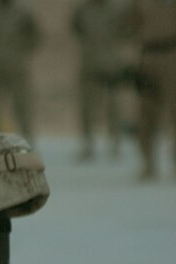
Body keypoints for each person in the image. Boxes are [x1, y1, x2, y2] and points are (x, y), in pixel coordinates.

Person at [0, 0, 41, 143]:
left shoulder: (24, 13)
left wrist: (22, 51)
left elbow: (35, 35)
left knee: (22, 106)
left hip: (17, 66)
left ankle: (27, 143)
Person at [72, 0, 129, 160]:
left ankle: (115, 143)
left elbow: (125, 31)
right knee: (87, 106)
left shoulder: (116, 11)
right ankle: (88, 144)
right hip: (89, 63)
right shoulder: (82, 10)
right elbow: (76, 29)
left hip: (111, 64)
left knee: (113, 106)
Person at [127, 0, 176, 179]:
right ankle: (148, 163)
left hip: (172, 51)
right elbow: (130, 25)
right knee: (145, 113)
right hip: (148, 54)